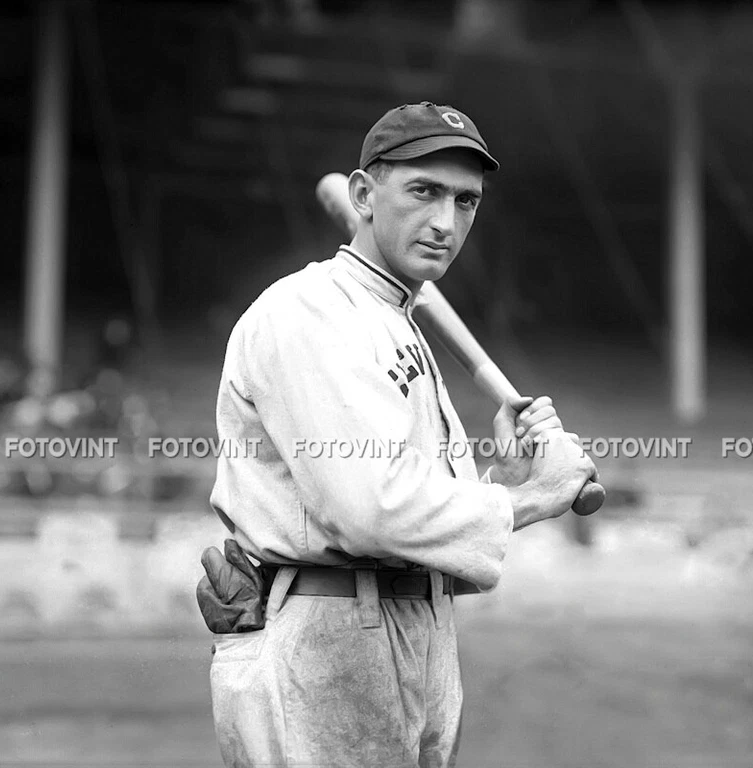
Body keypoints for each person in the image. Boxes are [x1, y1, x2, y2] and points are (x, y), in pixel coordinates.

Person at [203, 101, 597, 768]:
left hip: (407, 632)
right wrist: (538, 498)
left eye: (466, 201)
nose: (446, 222)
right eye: (424, 191)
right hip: (323, 637)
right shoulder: (311, 314)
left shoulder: (393, 318)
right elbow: (370, 510)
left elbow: (416, 519)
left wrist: (504, 481)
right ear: (362, 195)